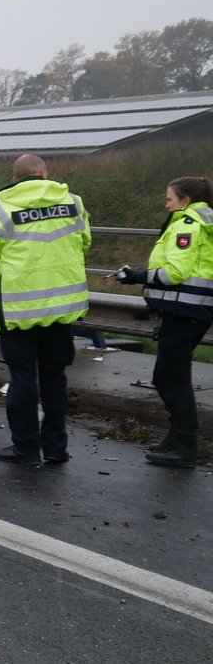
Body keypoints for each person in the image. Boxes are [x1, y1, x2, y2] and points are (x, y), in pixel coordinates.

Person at [0, 154, 91, 466]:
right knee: (55, 375)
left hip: (19, 311)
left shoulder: (0, 210)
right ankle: (56, 447)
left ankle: (25, 447)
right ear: (45, 173)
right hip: (61, 308)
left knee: (22, 376)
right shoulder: (73, 202)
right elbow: (85, 241)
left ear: (14, 178)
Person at [115, 176, 213, 468]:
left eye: (170, 198)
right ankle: (179, 439)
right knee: (171, 376)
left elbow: (175, 273)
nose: (166, 203)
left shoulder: (188, 225)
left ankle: (186, 445)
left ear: (185, 200)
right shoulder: (202, 221)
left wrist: (138, 275)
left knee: (170, 378)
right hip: (191, 310)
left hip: (186, 310)